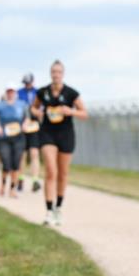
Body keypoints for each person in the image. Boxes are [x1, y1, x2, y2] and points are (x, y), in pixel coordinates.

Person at [30, 60, 87, 225]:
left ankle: (58, 208)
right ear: (50, 73)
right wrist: (38, 113)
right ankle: (48, 210)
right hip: (47, 134)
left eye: (59, 72)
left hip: (66, 134)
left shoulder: (71, 93)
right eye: (53, 72)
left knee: (62, 173)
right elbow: (33, 108)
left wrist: (71, 111)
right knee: (51, 171)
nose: (56, 74)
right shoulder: (43, 92)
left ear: (63, 74)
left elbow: (84, 113)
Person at [0, 84, 28, 197]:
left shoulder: (22, 105)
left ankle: (13, 188)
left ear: (15, 92)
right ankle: (3, 185)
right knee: (6, 163)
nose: (10, 93)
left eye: (12, 91)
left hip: (18, 137)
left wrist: (25, 125)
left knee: (16, 163)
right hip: (4, 138)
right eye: (8, 91)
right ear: (6, 92)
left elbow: (27, 118)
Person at [16, 73, 42, 193]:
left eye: (29, 82)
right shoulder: (19, 93)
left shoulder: (38, 92)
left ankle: (35, 180)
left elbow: (41, 109)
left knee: (34, 153)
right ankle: (20, 178)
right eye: (25, 83)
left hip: (34, 126)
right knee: (22, 155)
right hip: (22, 126)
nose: (27, 85)